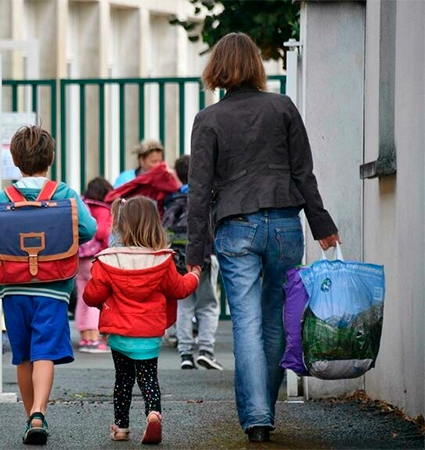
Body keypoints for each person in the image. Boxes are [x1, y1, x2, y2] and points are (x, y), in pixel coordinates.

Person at [186, 33, 340, 443]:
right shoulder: (283, 108)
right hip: (287, 224)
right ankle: (264, 409)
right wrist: (322, 225)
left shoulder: (209, 120)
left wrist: (195, 253)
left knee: (247, 322)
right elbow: (302, 173)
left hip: (237, 226)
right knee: (275, 321)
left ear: (217, 69)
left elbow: (199, 191)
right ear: (256, 65)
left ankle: (256, 419)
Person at [0, 126, 97, 445]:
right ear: (50, 158)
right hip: (52, 286)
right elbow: (89, 228)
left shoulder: (3, 197)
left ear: (14, 159)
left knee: (22, 355)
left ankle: (31, 418)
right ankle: (39, 411)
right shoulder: (63, 193)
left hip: (12, 287)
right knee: (45, 353)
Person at [83, 196, 201, 445]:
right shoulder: (163, 259)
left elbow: (92, 295)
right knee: (149, 378)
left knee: (123, 380)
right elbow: (178, 289)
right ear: (154, 224)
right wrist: (194, 275)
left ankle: (121, 428)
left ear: (121, 225)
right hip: (149, 333)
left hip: (119, 333)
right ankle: (153, 413)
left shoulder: (108, 260)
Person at [166, 155, 222, 371]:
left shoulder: (175, 202)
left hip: (180, 261)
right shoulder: (210, 197)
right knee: (208, 305)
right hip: (207, 258)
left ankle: (185, 354)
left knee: (184, 306)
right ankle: (206, 351)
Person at [75, 177, 113, 354]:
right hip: (93, 258)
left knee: (83, 296)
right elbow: (102, 232)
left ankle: (84, 336)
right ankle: (94, 337)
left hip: (78, 257)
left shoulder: (82, 206)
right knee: (95, 297)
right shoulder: (103, 210)